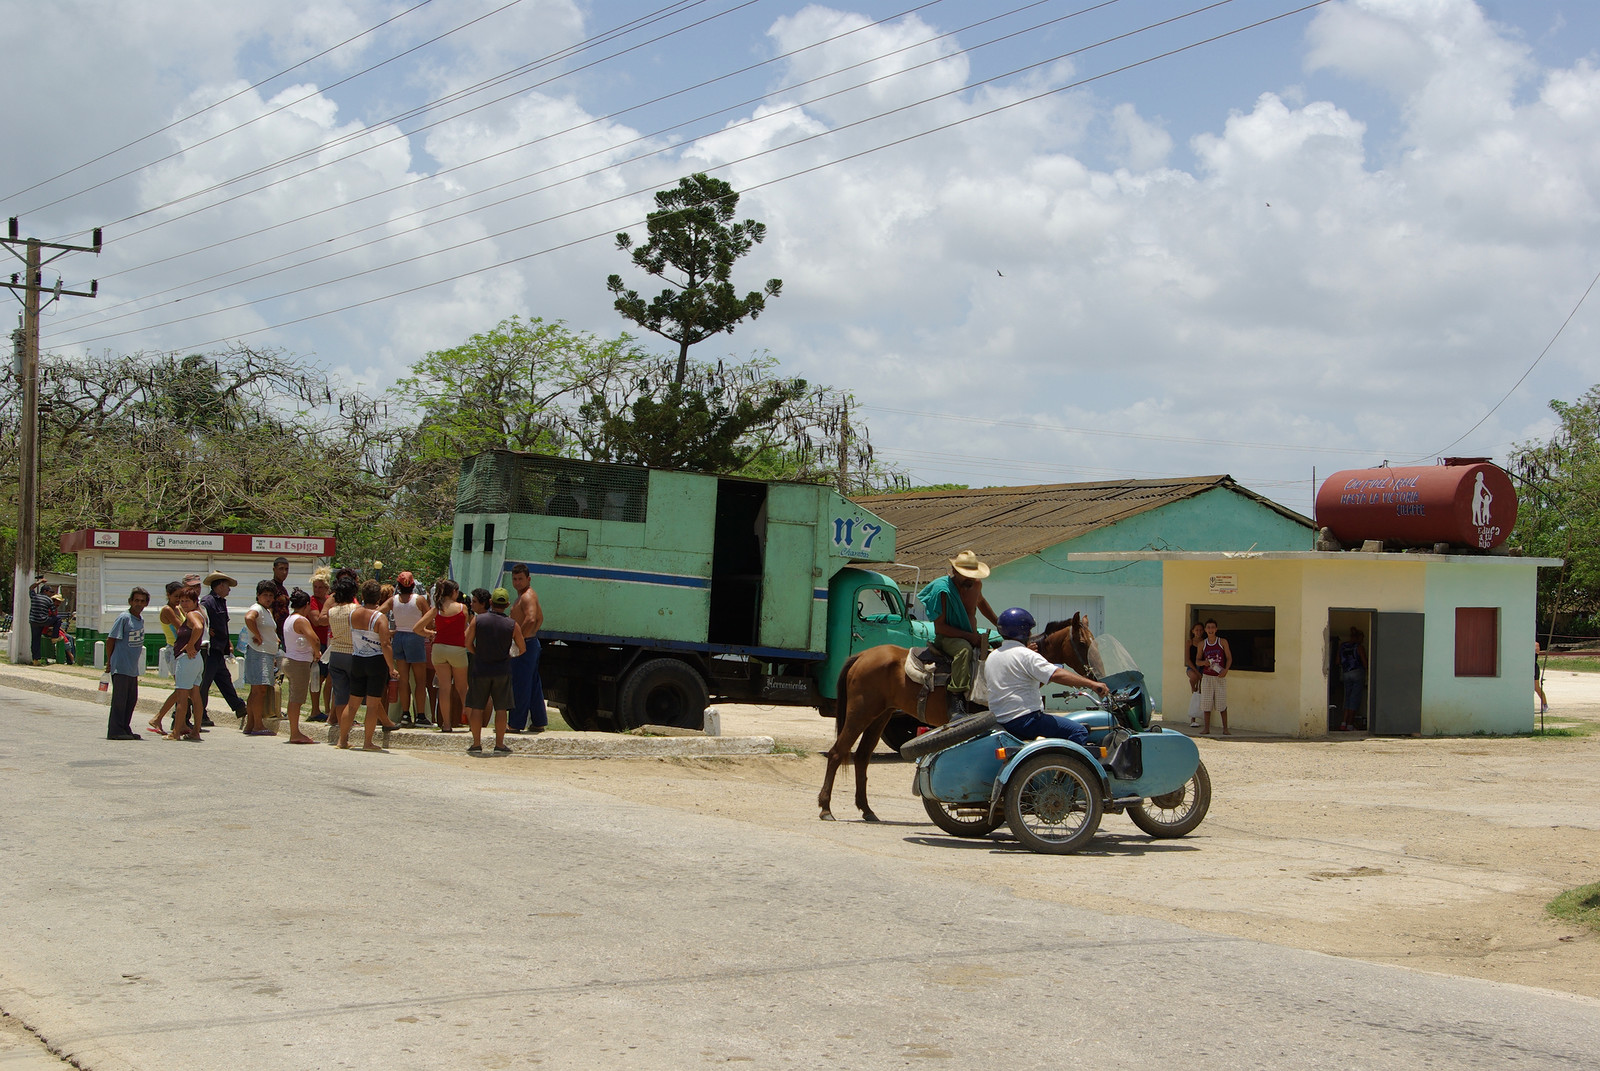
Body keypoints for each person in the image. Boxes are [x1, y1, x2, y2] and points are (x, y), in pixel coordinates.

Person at [983, 607, 1108, 745]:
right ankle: (1062, 766)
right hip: (1026, 720)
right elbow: (1056, 673)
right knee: (1079, 731)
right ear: (1024, 632)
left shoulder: (993, 656)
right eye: (1029, 630)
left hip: (1001, 720)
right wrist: (1092, 684)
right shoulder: (1025, 655)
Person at [916, 550, 1000, 713]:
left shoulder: (976, 584)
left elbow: (981, 603)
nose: (969, 578)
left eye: (972, 574)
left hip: (971, 634)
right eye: (965, 574)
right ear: (954, 572)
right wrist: (970, 637)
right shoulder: (942, 589)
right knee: (964, 650)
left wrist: (999, 623)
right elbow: (940, 627)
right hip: (948, 637)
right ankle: (956, 698)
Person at [464, 587, 524, 755]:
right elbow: (522, 648)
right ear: (507, 604)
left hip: (481, 668)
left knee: (477, 707)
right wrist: (509, 655)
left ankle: (476, 743)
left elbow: (468, 642)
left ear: (490, 602)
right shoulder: (512, 624)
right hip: (502, 671)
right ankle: (499, 744)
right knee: (501, 708)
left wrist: (477, 652)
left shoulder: (478, 620)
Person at [349, 579, 401, 751]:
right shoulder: (380, 618)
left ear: (362, 595)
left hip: (357, 658)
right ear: (379, 598)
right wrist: (391, 667)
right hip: (375, 661)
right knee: (372, 705)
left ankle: (342, 740)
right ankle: (368, 742)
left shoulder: (354, 614)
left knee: (352, 704)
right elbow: (385, 644)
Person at [416, 578, 469, 732]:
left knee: (444, 689)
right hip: (457, 648)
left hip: (439, 648)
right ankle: (473, 723)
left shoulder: (436, 608)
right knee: (462, 688)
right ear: (454, 592)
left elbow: (417, 628)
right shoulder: (462, 608)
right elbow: (465, 629)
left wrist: (430, 633)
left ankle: (446, 725)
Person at [382, 570, 432, 727]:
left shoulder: (393, 600)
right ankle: (421, 715)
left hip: (399, 637)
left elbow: (378, 613)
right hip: (415, 637)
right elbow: (429, 619)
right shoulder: (419, 600)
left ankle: (405, 714)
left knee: (403, 680)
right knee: (420, 680)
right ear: (413, 585)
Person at [198, 571, 249, 726]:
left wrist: (228, 644)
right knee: (204, 684)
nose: (229, 589)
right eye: (227, 586)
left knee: (224, 680)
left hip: (219, 649)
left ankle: (239, 707)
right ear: (219, 585)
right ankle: (198, 714)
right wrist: (207, 629)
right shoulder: (208, 601)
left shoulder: (220, 602)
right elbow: (200, 617)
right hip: (210, 650)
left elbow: (223, 625)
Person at [104, 588, 150, 740]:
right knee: (120, 700)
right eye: (136, 600)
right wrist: (109, 661)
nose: (139, 604)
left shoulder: (139, 620)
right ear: (130, 601)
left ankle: (125, 728)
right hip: (120, 666)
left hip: (132, 668)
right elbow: (111, 640)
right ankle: (115, 731)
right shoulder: (124, 618)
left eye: (142, 601)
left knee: (131, 700)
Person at [507, 563, 547, 734]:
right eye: (515, 579)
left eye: (520, 579)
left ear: (528, 579)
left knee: (520, 684)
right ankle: (538, 721)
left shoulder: (527, 596)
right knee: (532, 683)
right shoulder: (525, 595)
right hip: (530, 643)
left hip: (526, 645)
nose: (517, 582)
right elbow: (540, 618)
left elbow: (532, 618)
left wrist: (519, 639)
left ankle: (515, 723)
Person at [241, 580, 282, 737]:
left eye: (271, 595)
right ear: (258, 596)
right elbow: (249, 618)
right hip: (259, 653)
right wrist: (257, 635)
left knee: (256, 690)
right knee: (259, 690)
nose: (268, 598)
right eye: (265, 595)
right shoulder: (257, 608)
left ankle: (251, 724)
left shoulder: (267, 611)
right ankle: (258, 724)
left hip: (265, 652)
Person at [281, 589, 321, 744]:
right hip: (299, 663)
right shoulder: (301, 620)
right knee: (297, 699)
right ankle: (295, 732)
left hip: (290, 659)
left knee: (294, 698)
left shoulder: (289, 619)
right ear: (306, 605)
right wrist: (317, 652)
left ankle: (294, 731)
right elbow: (314, 639)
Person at [167, 589, 207, 741]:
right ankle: (195, 731)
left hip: (187, 659)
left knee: (182, 696)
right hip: (196, 660)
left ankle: (176, 732)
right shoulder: (198, 614)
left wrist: (190, 644)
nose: (184, 604)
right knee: (195, 695)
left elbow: (198, 628)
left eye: (187, 601)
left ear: (195, 602)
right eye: (182, 601)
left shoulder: (192, 615)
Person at [148, 580, 187, 735]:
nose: (179, 599)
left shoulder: (179, 609)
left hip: (181, 649)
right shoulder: (167, 610)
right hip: (173, 650)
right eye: (176, 596)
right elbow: (181, 628)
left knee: (185, 690)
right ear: (168, 595)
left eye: (181, 596)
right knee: (181, 689)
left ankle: (181, 722)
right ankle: (157, 718)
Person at [306, 569, 333, 722]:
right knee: (318, 677)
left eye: (320, 587)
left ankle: (328, 709)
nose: (317, 590)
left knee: (330, 678)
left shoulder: (329, 599)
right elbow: (317, 620)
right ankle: (315, 710)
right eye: (315, 587)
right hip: (318, 642)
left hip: (330, 641)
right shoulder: (312, 601)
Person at [1198, 618, 1232, 736]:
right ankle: (1206, 728)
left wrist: (1226, 670)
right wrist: (1204, 663)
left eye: (1213, 627)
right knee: (1206, 704)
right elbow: (1197, 661)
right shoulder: (1202, 644)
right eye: (1208, 627)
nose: (1210, 630)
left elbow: (1229, 658)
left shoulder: (1222, 642)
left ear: (1216, 629)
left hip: (1219, 676)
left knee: (1222, 703)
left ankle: (1225, 729)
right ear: (1205, 630)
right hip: (1207, 676)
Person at [1337, 626, 1368, 731]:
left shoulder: (1343, 646)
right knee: (1354, 699)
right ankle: (1350, 725)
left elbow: (1338, 661)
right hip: (1357, 673)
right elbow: (1364, 662)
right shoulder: (1359, 647)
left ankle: (1343, 723)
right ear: (1359, 638)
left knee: (1347, 698)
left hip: (1346, 673)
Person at [28, 579, 54, 664]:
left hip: (33, 621)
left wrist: (39, 581)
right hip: (43, 621)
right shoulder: (49, 600)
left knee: (35, 639)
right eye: (51, 592)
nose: (51, 594)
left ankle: (36, 659)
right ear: (45, 591)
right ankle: (55, 636)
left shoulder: (34, 596)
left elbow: (31, 588)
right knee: (58, 619)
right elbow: (53, 612)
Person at [1184, 622, 1205, 729]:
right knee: (1194, 679)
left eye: (1201, 630)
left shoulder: (1205, 642)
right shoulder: (1189, 642)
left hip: (1202, 668)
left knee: (1200, 693)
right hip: (1192, 667)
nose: (1199, 632)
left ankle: (1199, 717)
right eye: (1196, 630)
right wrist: (1196, 671)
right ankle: (1193, 718)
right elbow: (1188, 659)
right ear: (1193, 631)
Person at [266, 556, 291, 643]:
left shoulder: (283, 589)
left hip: (284, 632)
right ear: (274, 569)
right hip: (274, 633)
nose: (284, 572)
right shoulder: (270, 587)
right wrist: (274, 633)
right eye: (281, 569)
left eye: (286, 569)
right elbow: (268, 610)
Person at [1534, 639, 1549, 715]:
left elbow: (1536, 650)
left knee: (1536, 687)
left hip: (1533, 667)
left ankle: (1545, 704)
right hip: (1525, 667)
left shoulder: (1536, 644)